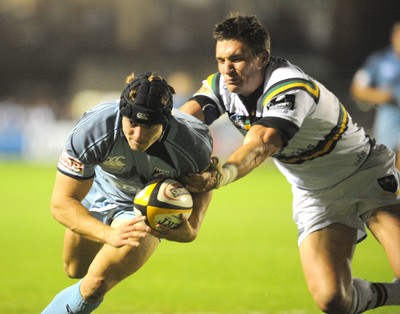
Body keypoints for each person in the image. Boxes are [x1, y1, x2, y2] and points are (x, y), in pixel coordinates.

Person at [180, 13, 400, 313]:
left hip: (363, 173)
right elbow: (183, 123)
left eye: (237, 59)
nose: (227, 69)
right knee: (333, 299)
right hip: (315, 195)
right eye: (221, 60)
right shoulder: (221, 86)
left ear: (262, 58)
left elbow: (260, 145)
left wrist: (222, 175)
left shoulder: (289, 86)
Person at [42, 72, 213, 313]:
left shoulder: (193, 142)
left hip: (144, 213)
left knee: (96, 283)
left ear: (165, 121)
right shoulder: (95, 127)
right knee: (74, 269)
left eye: (149, 126)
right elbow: (61, 203)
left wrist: (193, 227)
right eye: (132, 123)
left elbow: (203, 185)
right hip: (98, 195)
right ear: (123, 113)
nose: (139, 135)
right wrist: (107, 234)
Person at [350, 21, 400, 169]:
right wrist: (384, 96)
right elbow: (357, 89)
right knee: (385, 167)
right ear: (394, 37)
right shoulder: (379, 61)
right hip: (388, 121)